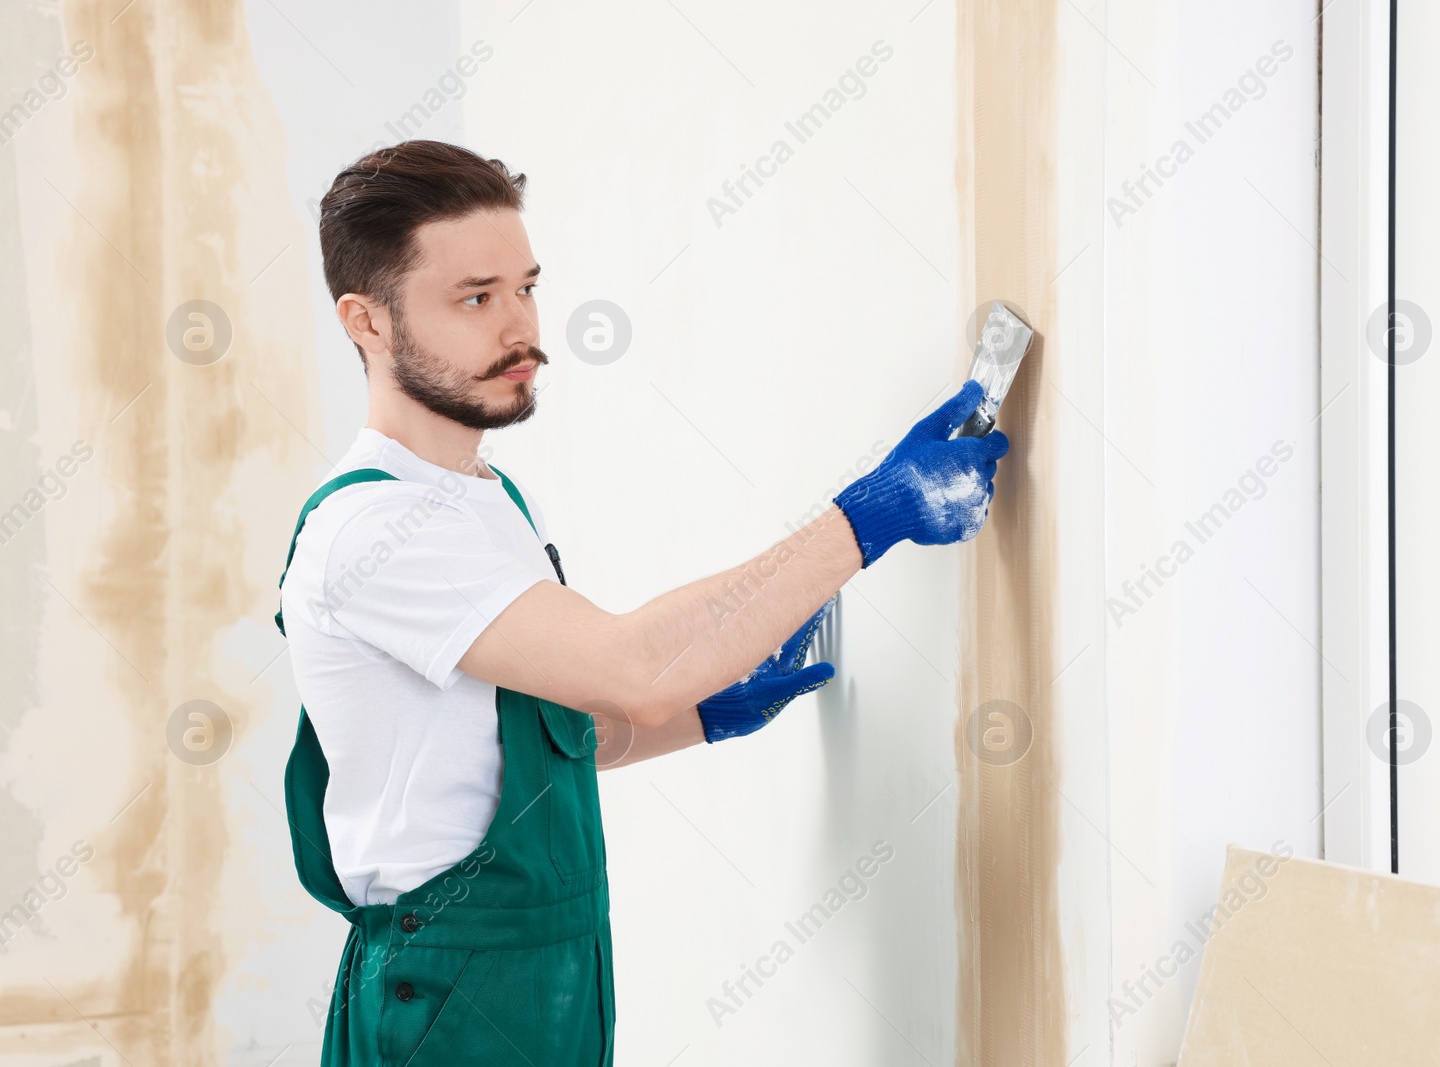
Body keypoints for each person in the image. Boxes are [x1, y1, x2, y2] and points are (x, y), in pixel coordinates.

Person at [275, 138, 1011, 1066]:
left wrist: (701, 714)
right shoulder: (376, 528)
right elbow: (630, 669)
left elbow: (526, 745)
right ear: (367, 323)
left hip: (549, 969)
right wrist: (870, 515)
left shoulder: (487, 499)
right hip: (450, 998)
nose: (520, 328)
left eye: (526, 287)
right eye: (475, 297)